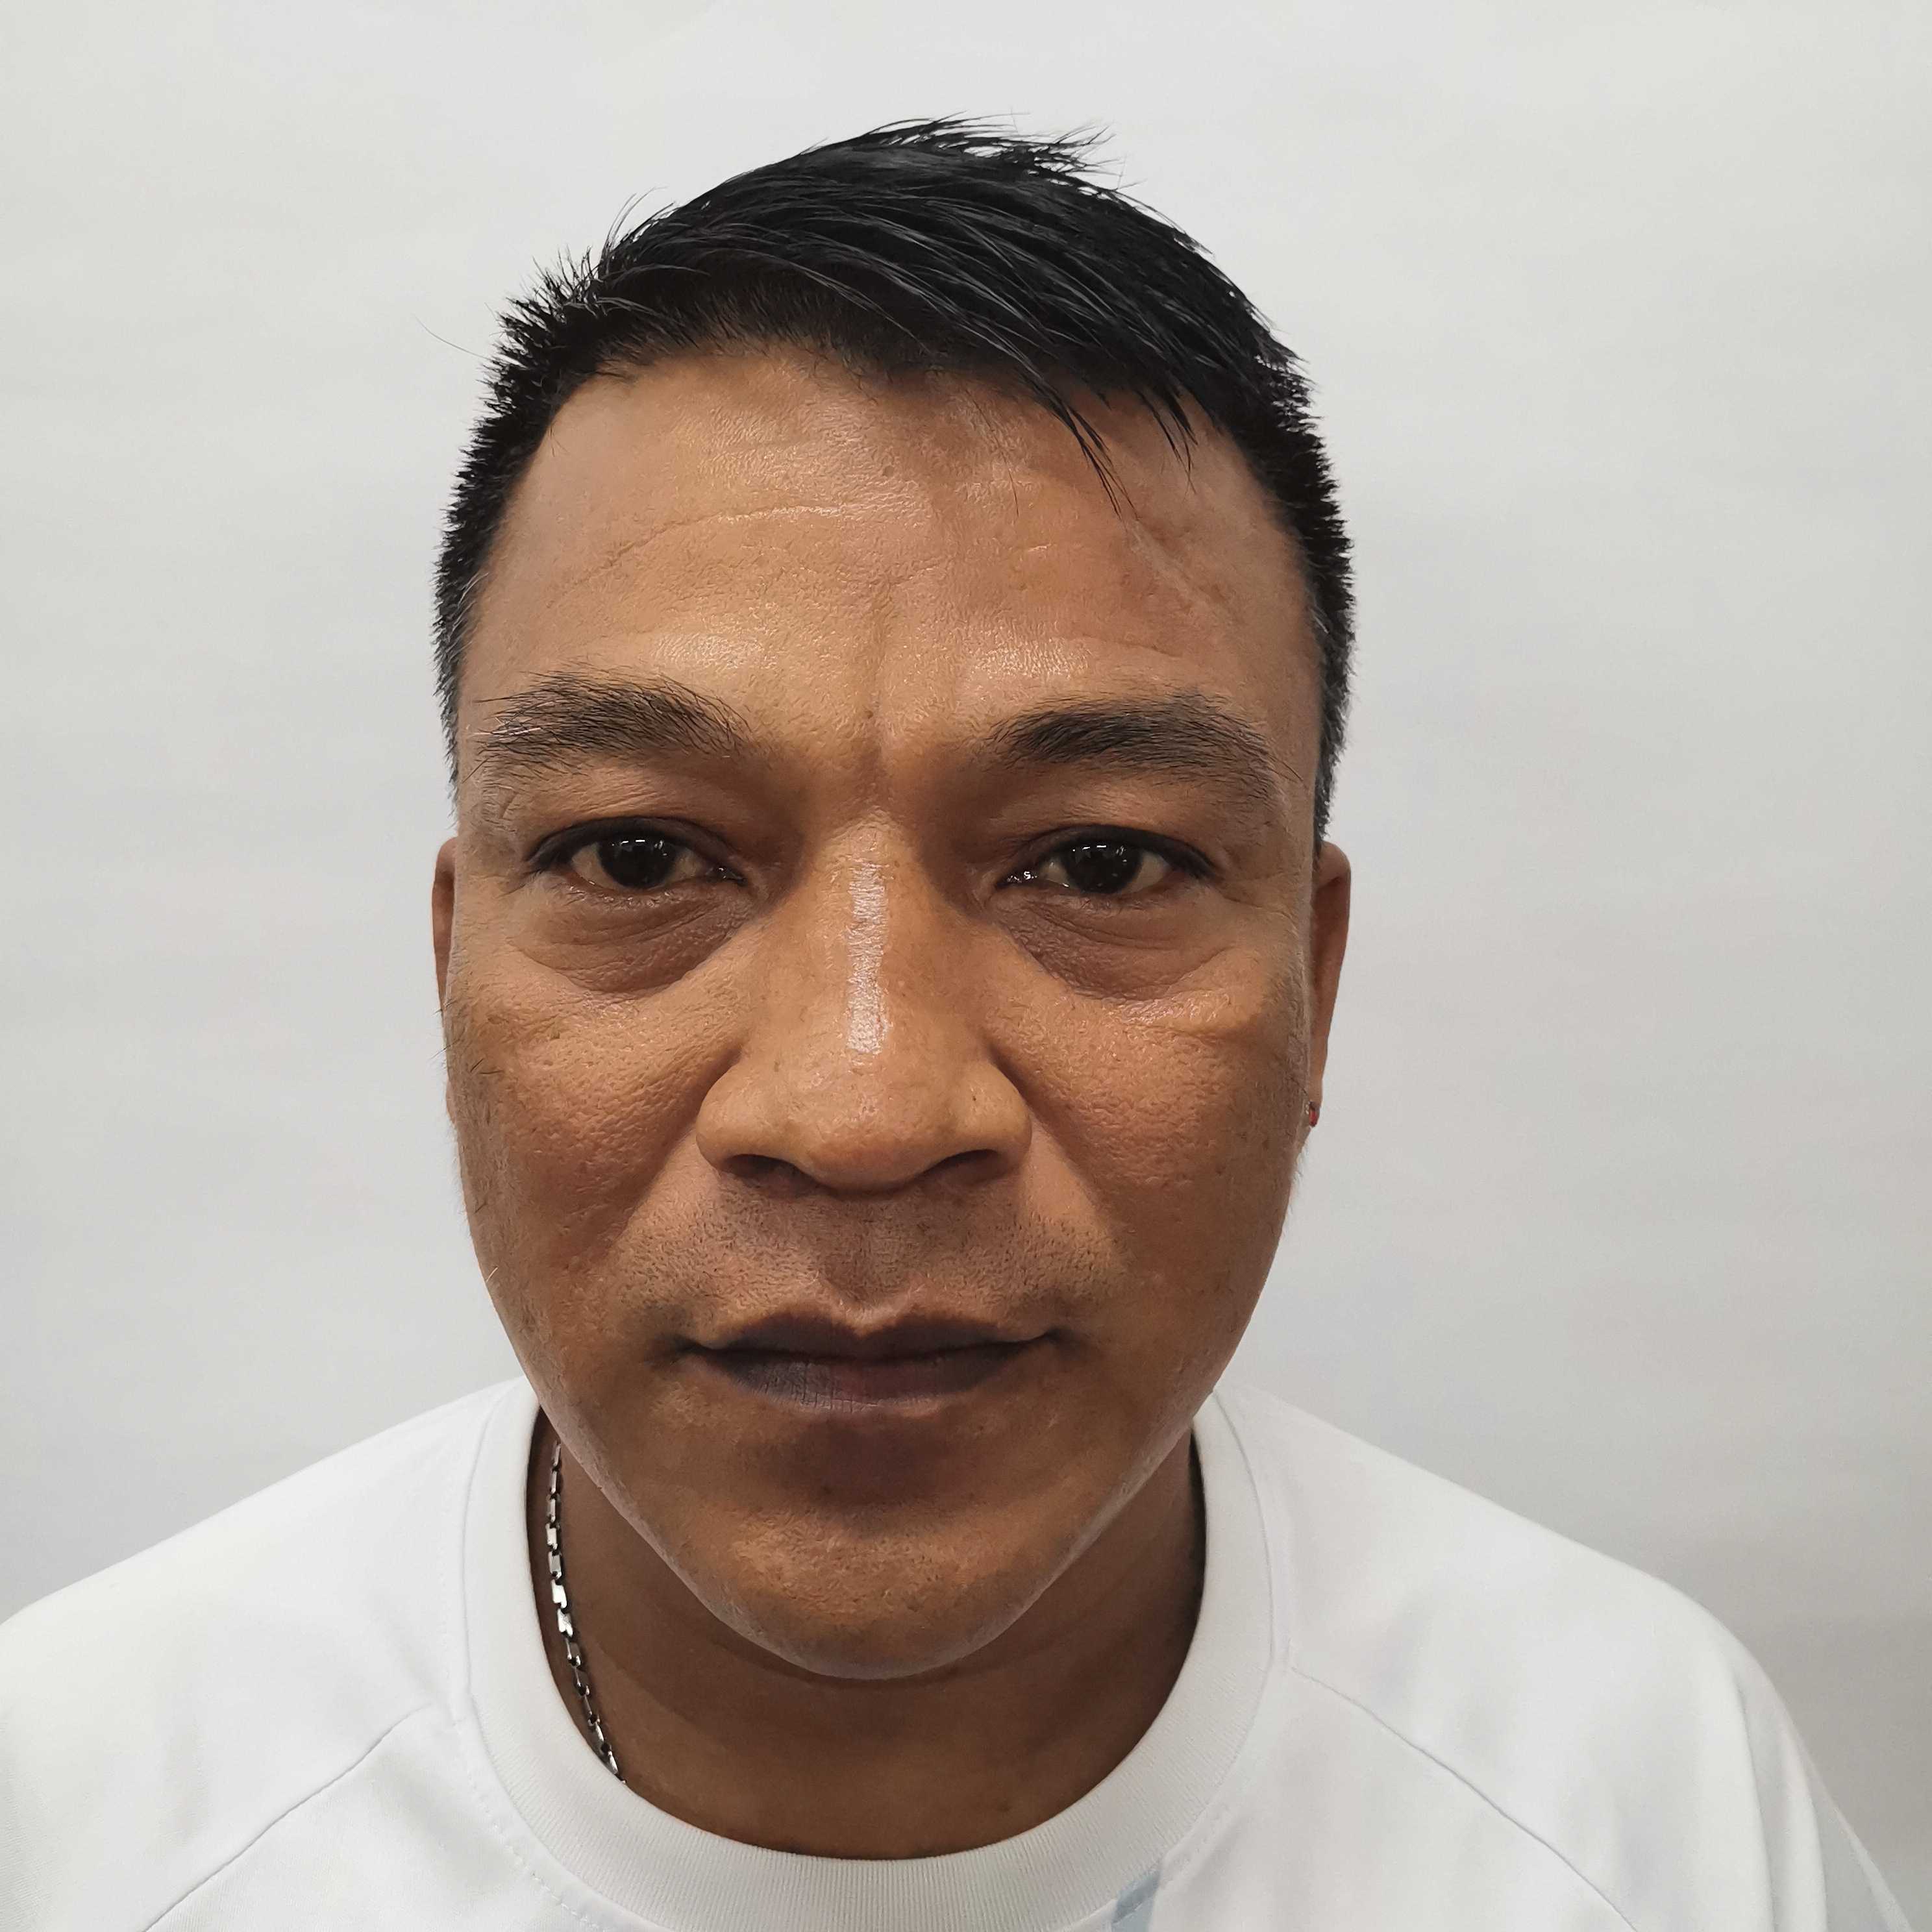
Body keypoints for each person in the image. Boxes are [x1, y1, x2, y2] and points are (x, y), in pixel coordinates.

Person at [0, 120, 1911, 1932]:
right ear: (451, 974)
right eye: (642, 853)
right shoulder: (83, 1812)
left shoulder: (1639, 1802)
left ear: (1315, 986)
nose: (862, 1105)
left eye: (1098, 863)